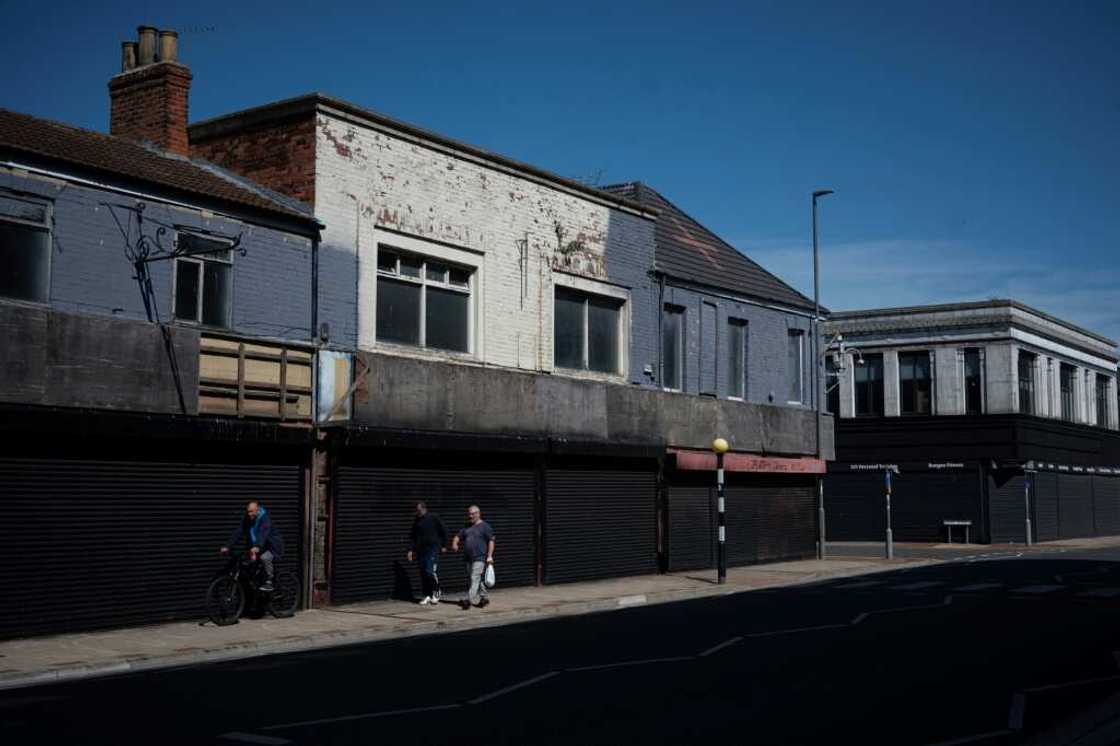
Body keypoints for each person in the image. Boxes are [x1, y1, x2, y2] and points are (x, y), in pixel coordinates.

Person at [220, 500, 284, 592]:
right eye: (248, 511)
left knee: (265, 557)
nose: (249, 514)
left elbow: (263, 533)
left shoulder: (265, 519)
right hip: (257, 546)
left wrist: (257, 546)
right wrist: (228, 546)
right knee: (246, 561)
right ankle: (257, 583)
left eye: (251, 511)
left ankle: (269, 581)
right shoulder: (248, 519)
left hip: (271, 546)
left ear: (257, 510)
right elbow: (238, 532)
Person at [451, 504, 495, 609]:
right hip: (468, 558)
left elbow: (491, 541)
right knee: (476, 579)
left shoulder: (485, 526)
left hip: (480, 557)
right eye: (469, 514)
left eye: (473, 514)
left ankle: (468, 600)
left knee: (474, 578)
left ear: (478, 514)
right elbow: (457, 536)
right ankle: (484, 598)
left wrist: (489, 556)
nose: (470, 516)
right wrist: (454, 543)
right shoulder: (467, 526)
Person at [406, 501, 448, 606]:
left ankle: (437, 591)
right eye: (417, 511)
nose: (417, 512)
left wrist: (444, 545)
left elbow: (443, 530)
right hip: (421, 551)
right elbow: (413, 537)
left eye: (419, 510)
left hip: (432, 549)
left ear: (424, 509)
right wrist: (411, 550)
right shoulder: (417, 520)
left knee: (430, 571)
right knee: (423, 574)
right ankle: (428, 595)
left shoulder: (433, 517)